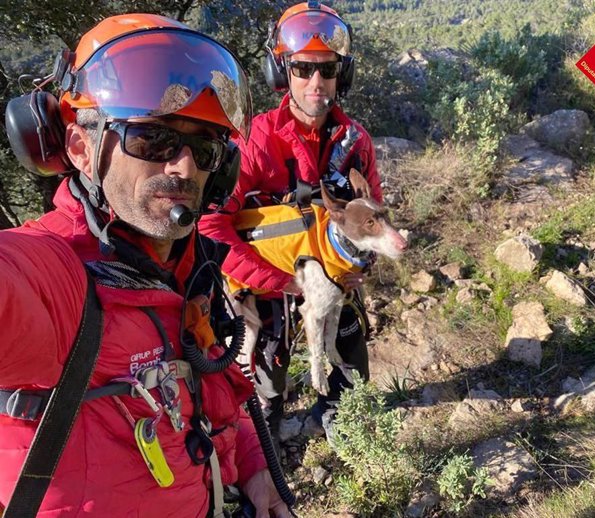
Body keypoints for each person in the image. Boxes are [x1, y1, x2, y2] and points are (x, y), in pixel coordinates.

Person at [0, 13, 290, 518]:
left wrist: (253, 466)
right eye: (152, 139)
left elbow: (208, 391)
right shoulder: (56, 275)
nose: (182, 167)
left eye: (203, 147)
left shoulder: (184, 269)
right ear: (80, 149)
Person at [198, 1, 382, 442]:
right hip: (266, 280)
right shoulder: (255, 138)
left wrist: (359, 266)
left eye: (327, 69)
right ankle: (269, 428)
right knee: (266, 361)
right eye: (302, 69)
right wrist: (285, 282)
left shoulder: (356, 143)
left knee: (349, 341)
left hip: (331, 279)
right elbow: (212, 229)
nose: (316, 82)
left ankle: (343, 420)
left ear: (342, 74)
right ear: (282, 72)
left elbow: (373, 218)